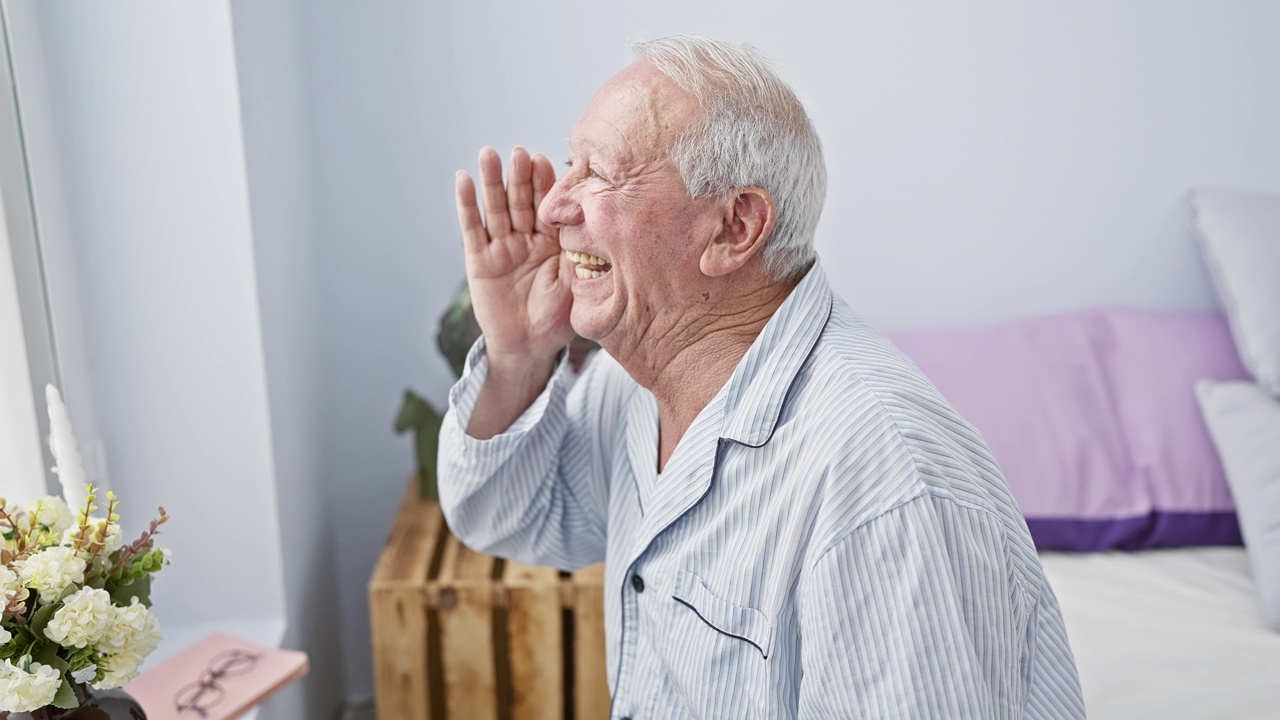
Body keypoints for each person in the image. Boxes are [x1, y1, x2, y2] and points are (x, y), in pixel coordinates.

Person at [439, 35, 1085, 719]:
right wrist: (519, 357)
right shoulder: (634, 384)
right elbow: (508, 515)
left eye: (597, 174)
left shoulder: (882, 474)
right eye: (570, 165)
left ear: (734, 227)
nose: (553, 208)